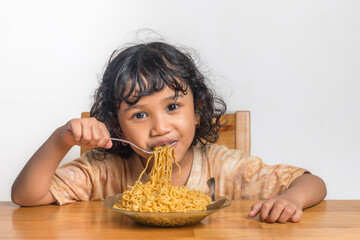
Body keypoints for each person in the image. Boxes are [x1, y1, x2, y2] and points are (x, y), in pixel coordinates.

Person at [11, 41, 326, 223]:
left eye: (172, 107)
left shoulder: (226, 167)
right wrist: (61, 138)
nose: (160, 127)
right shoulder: (104, 170)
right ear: (117, 126)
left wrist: (291, 200)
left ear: (198, 110)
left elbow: (312, 182)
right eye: (139, 114)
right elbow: (27, 196)